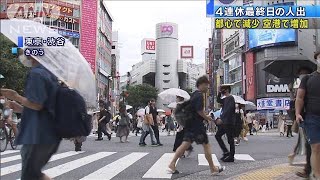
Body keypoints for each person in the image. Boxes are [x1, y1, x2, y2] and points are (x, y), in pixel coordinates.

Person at [0, 53, 61, 180]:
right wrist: (20, 107)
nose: (23, 54)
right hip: (47, 134)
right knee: (34, 175)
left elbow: (37, 105)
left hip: (37, 135)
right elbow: (43, 108)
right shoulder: (50, 74)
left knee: (30, 176)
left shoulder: (37, 74)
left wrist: (15, 96)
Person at [168, 76, 225, 176]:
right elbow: (199, 111)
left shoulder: (194, 94)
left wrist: (205, 116)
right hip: (197, 125)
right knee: (206, 145)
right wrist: (208, 118)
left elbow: (196, 110)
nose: (208, 87)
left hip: (190, 124)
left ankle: (172, 164)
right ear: (201, 84)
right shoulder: (199, 96)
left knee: (185, 144)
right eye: (206, 85)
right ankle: (213, 168)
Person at [295, 51, 320, 180]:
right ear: (316, 59)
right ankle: (317, 175)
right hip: (312, 118)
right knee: (315, 147)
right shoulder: (308, 79)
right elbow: (299, 98)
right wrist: (297, 113)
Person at [287, 67, 313, 178]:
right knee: (308, 144)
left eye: (303, 74)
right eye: (300, 74)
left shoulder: (311, 82)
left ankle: (309, 169)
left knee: (310, 144)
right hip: (304, 118)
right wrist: (290, 91)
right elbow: (295, 102)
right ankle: (308, 169)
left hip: (311, 116)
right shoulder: (300, 86)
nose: (301, 76)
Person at [215, 84, 236, 162]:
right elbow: (218, 100)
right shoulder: (225, 99)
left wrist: (221, 119)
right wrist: (219, 92)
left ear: (227, 90)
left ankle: (231, 156)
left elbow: (228, 111)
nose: (222, 90)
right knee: (217, 136)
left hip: (229, 122)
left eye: (223, 89)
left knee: (230, 139)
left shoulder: (230, 98)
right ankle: (226, 152)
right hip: (225, 122)